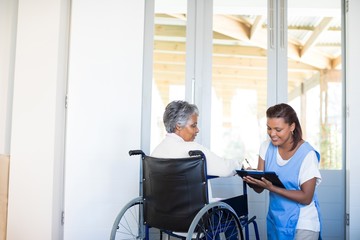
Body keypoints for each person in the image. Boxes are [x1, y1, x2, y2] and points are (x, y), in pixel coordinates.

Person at [242, 103, 322, 240]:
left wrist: (272, 188)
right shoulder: (266, 147)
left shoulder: (307, 155)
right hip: (276, 220)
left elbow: (306, 197)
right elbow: (260, 188)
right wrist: (250, 178)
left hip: (302, 224)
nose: (272, 134)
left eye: (278, 129)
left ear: (292, 126)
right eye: (269, 128)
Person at [151, 100, 243, 177]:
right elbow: (225, 169)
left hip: (164, 199)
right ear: (178, 126)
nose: (197, 130)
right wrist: (239, 165)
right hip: (193, 199)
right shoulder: (193, 150)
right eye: (193, 126)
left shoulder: (155, 153)